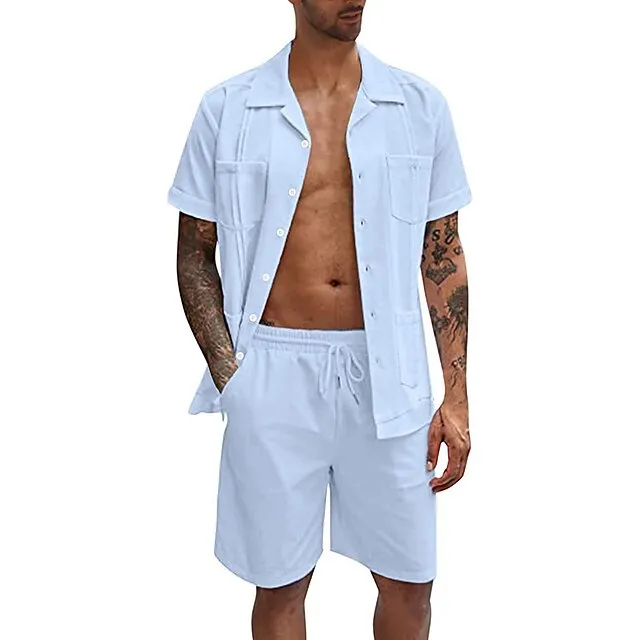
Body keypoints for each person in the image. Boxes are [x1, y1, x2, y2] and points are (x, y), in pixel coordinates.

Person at [167, 2, 472, 638]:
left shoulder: (419, 107)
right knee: (280, 583)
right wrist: (232, 376)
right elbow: (195, 253)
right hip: (272, 370)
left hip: (390, 373)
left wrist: (457, 395)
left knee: (411, 582)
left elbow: (441, 253)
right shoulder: (228, 109)